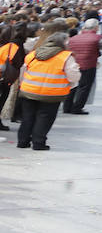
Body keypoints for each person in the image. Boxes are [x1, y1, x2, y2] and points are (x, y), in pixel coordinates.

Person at [16, 23, 79, 151]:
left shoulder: (33, 54)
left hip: (29, 90)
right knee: (45, 118)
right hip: (52, 94)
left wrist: (23, 85)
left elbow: (23, 71)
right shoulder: (66, 57)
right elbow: (74, 76)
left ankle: (22, 141)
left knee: (28, 117)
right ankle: (39, 142)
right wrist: (70, 84)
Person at [64, 18, 99, 114]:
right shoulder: (97, 37)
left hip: (74, 64)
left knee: (72, 85)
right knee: (84, 87)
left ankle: (67, 107)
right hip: (88, 64)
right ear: (96, 27)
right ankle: (77, 107)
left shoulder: (74, 38)